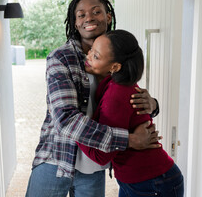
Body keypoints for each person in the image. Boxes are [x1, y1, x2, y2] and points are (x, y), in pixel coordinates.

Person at [25, 0, 160, 197]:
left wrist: (152, 105)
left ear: (108, 17)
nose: (88, 17)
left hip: (94, 168)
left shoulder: (117, 55)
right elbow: (66, 119)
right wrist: (129, 140)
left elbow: (126, 101)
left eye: (96, 11)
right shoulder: (61, 58)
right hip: (56, 159)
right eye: (81, 14)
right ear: (75, 22)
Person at [77, 30, 184, 197]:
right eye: (91, 50)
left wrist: (73, 127)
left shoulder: (116, 95)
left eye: (96, 56)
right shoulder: (117, 83)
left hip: (152, 182)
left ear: (115, 67)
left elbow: (101, 155)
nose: (88, 56)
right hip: (142, 180)